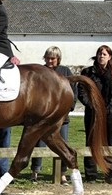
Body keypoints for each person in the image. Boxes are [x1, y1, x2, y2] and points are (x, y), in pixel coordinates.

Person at [30, 46, 77, 185]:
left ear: (58, 59)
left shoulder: (65, 71)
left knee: (62, 144)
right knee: (38, 144)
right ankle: (35, 171)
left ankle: (62, 174)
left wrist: (68, 109)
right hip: (43, 118)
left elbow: (73, 92)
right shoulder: (40, 71)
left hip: (62, 116)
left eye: (53, 58)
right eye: (48, 58)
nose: (50, 61)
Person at [78, 45, 112, 185]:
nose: (101, 56)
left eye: (104, 54)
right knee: (91, 141)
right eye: (99, 54)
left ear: (109, 57)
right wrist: (93, 106)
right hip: (93, 112)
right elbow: (82, 92)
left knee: (109, 142)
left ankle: (110, 174)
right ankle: (91, 175)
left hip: (109, 112)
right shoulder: (87, 72)